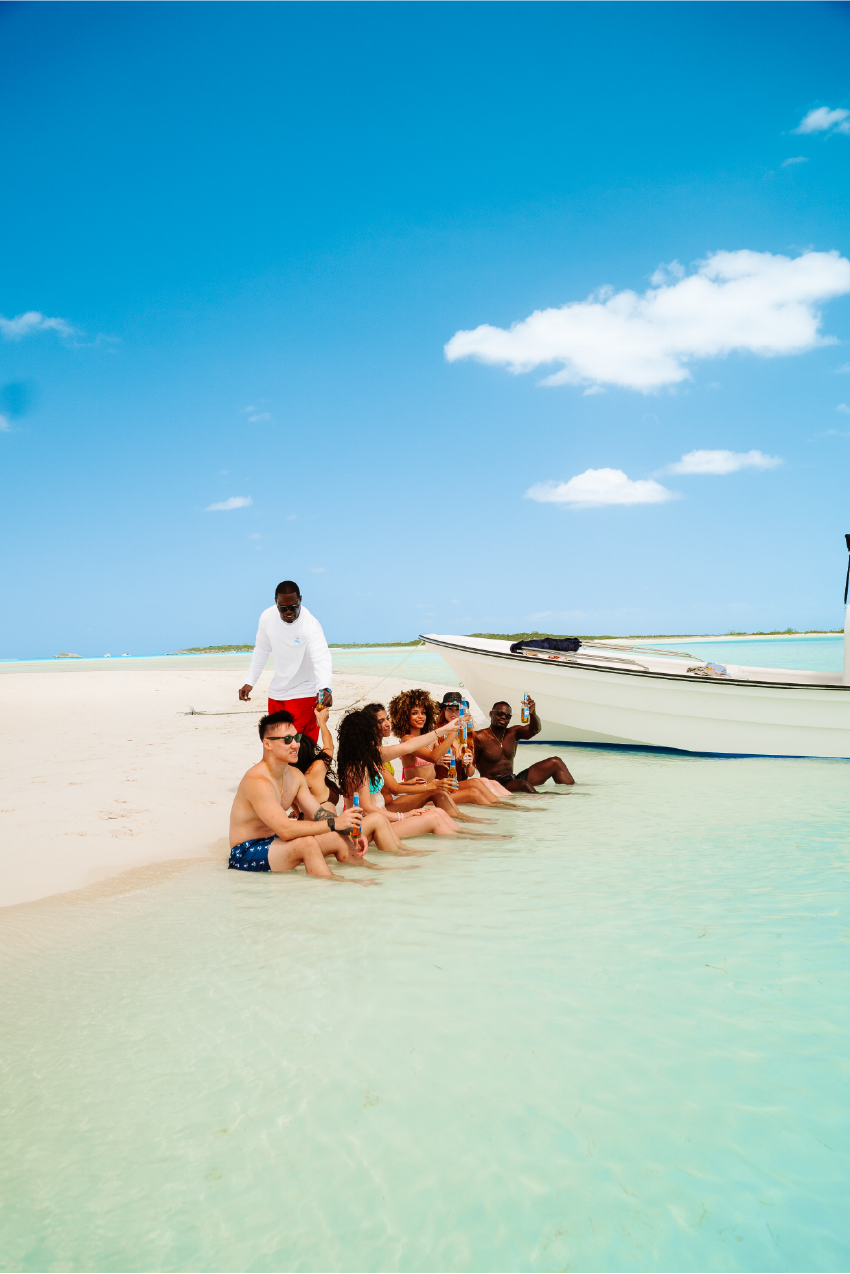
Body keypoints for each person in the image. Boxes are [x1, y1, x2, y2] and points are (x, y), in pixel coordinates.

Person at [228, 710, 367, 879]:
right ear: (267, 744)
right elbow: (285, 830)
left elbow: (318, 814)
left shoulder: (294, 775)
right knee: (307, 843)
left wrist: (352, 831)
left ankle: (370, 876)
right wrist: (335, 823)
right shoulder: (257, 781)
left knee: (338, 837)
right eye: (287, 740)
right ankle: (333, 887)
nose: (295, 744)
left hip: (276, 842)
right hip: (245, 851)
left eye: (297, 738)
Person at [336, 708, 465, 842]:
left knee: (438, 812)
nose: (375, 732)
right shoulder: (356, 765)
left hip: (382, 819)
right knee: (435, 818)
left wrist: (445, 729)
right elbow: (366, 807)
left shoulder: (370, 756)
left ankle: (467, 839)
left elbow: (408, 747)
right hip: (370, 828)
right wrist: (402, 816)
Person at [238, 580, 331, 743]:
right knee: (276, 747)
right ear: (276, 602)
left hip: (304, 694)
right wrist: (249, 682)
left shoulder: (310, 624)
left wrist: (325, 687)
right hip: (277, 694)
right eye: (283, 608)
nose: (289, 612)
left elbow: (321, 655)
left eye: (294, 607)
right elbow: (261, 650)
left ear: (300, 599)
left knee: (300, 750)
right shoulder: (267, 617)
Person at [390, 688, 509, 809]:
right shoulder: (407, 740)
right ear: (404, 716)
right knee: (474, 793)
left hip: (435, 788)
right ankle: (502, 813)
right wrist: (457, 728)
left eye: (424, 712)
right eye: (415, 713)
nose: (421, 716)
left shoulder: (427, 738)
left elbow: (437, 755)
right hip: (421, 793)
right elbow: (433, 756)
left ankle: (507, 808)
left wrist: (462, 761)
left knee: (477, 782)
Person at [474, 699, 575, 792]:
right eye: (500, 713)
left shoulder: (513, 733)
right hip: (494, 783)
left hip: (512, 778)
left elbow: (535, 730)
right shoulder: (479, 737)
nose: (504, 717)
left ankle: (574, 796)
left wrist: (533, 714)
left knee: (555, 762)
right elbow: (467, 763)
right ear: (491, 714)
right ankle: (542, 804)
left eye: (508, 716)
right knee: (523, 785)